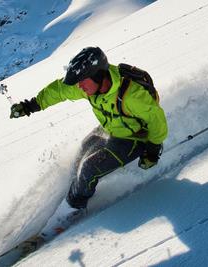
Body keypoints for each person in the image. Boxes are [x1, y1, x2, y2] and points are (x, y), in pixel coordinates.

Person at [9, 47, 167, 212]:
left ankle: (74, 208)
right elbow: (59, 90)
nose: (79, 86)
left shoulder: (132, 96)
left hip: (134, 139)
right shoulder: (90, 87)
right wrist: (31, 105)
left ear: (98, 76)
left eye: (82, 81)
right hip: (112, 129)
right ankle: (75, 189)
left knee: (89, 168)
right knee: (84, 147)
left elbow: (157, 121)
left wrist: (153, 150)